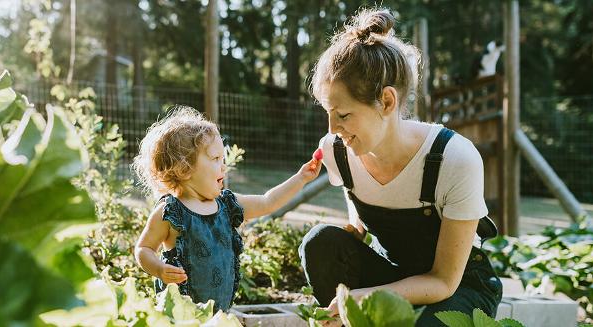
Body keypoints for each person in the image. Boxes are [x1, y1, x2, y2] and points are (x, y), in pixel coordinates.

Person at [298, 8, 503, 326]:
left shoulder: (454, 158)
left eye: (344, 114)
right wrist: (357, 227)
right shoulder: (337, 150)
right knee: (321, 242)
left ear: (387, 102)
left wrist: (366, 297)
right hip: (391, 273)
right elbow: (359, 200)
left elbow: (443, 282)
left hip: (454, 288)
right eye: (328, 112)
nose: (332, 128)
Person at [133, 106, 322, 312]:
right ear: (184, 168)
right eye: (215, 159)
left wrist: (301, 178)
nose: (223, 166)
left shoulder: (227, 204)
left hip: (220, 313)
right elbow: (144, 249)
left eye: (223, 159)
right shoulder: (169, 212)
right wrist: (159, 269)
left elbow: (268, 202)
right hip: (180, 314)